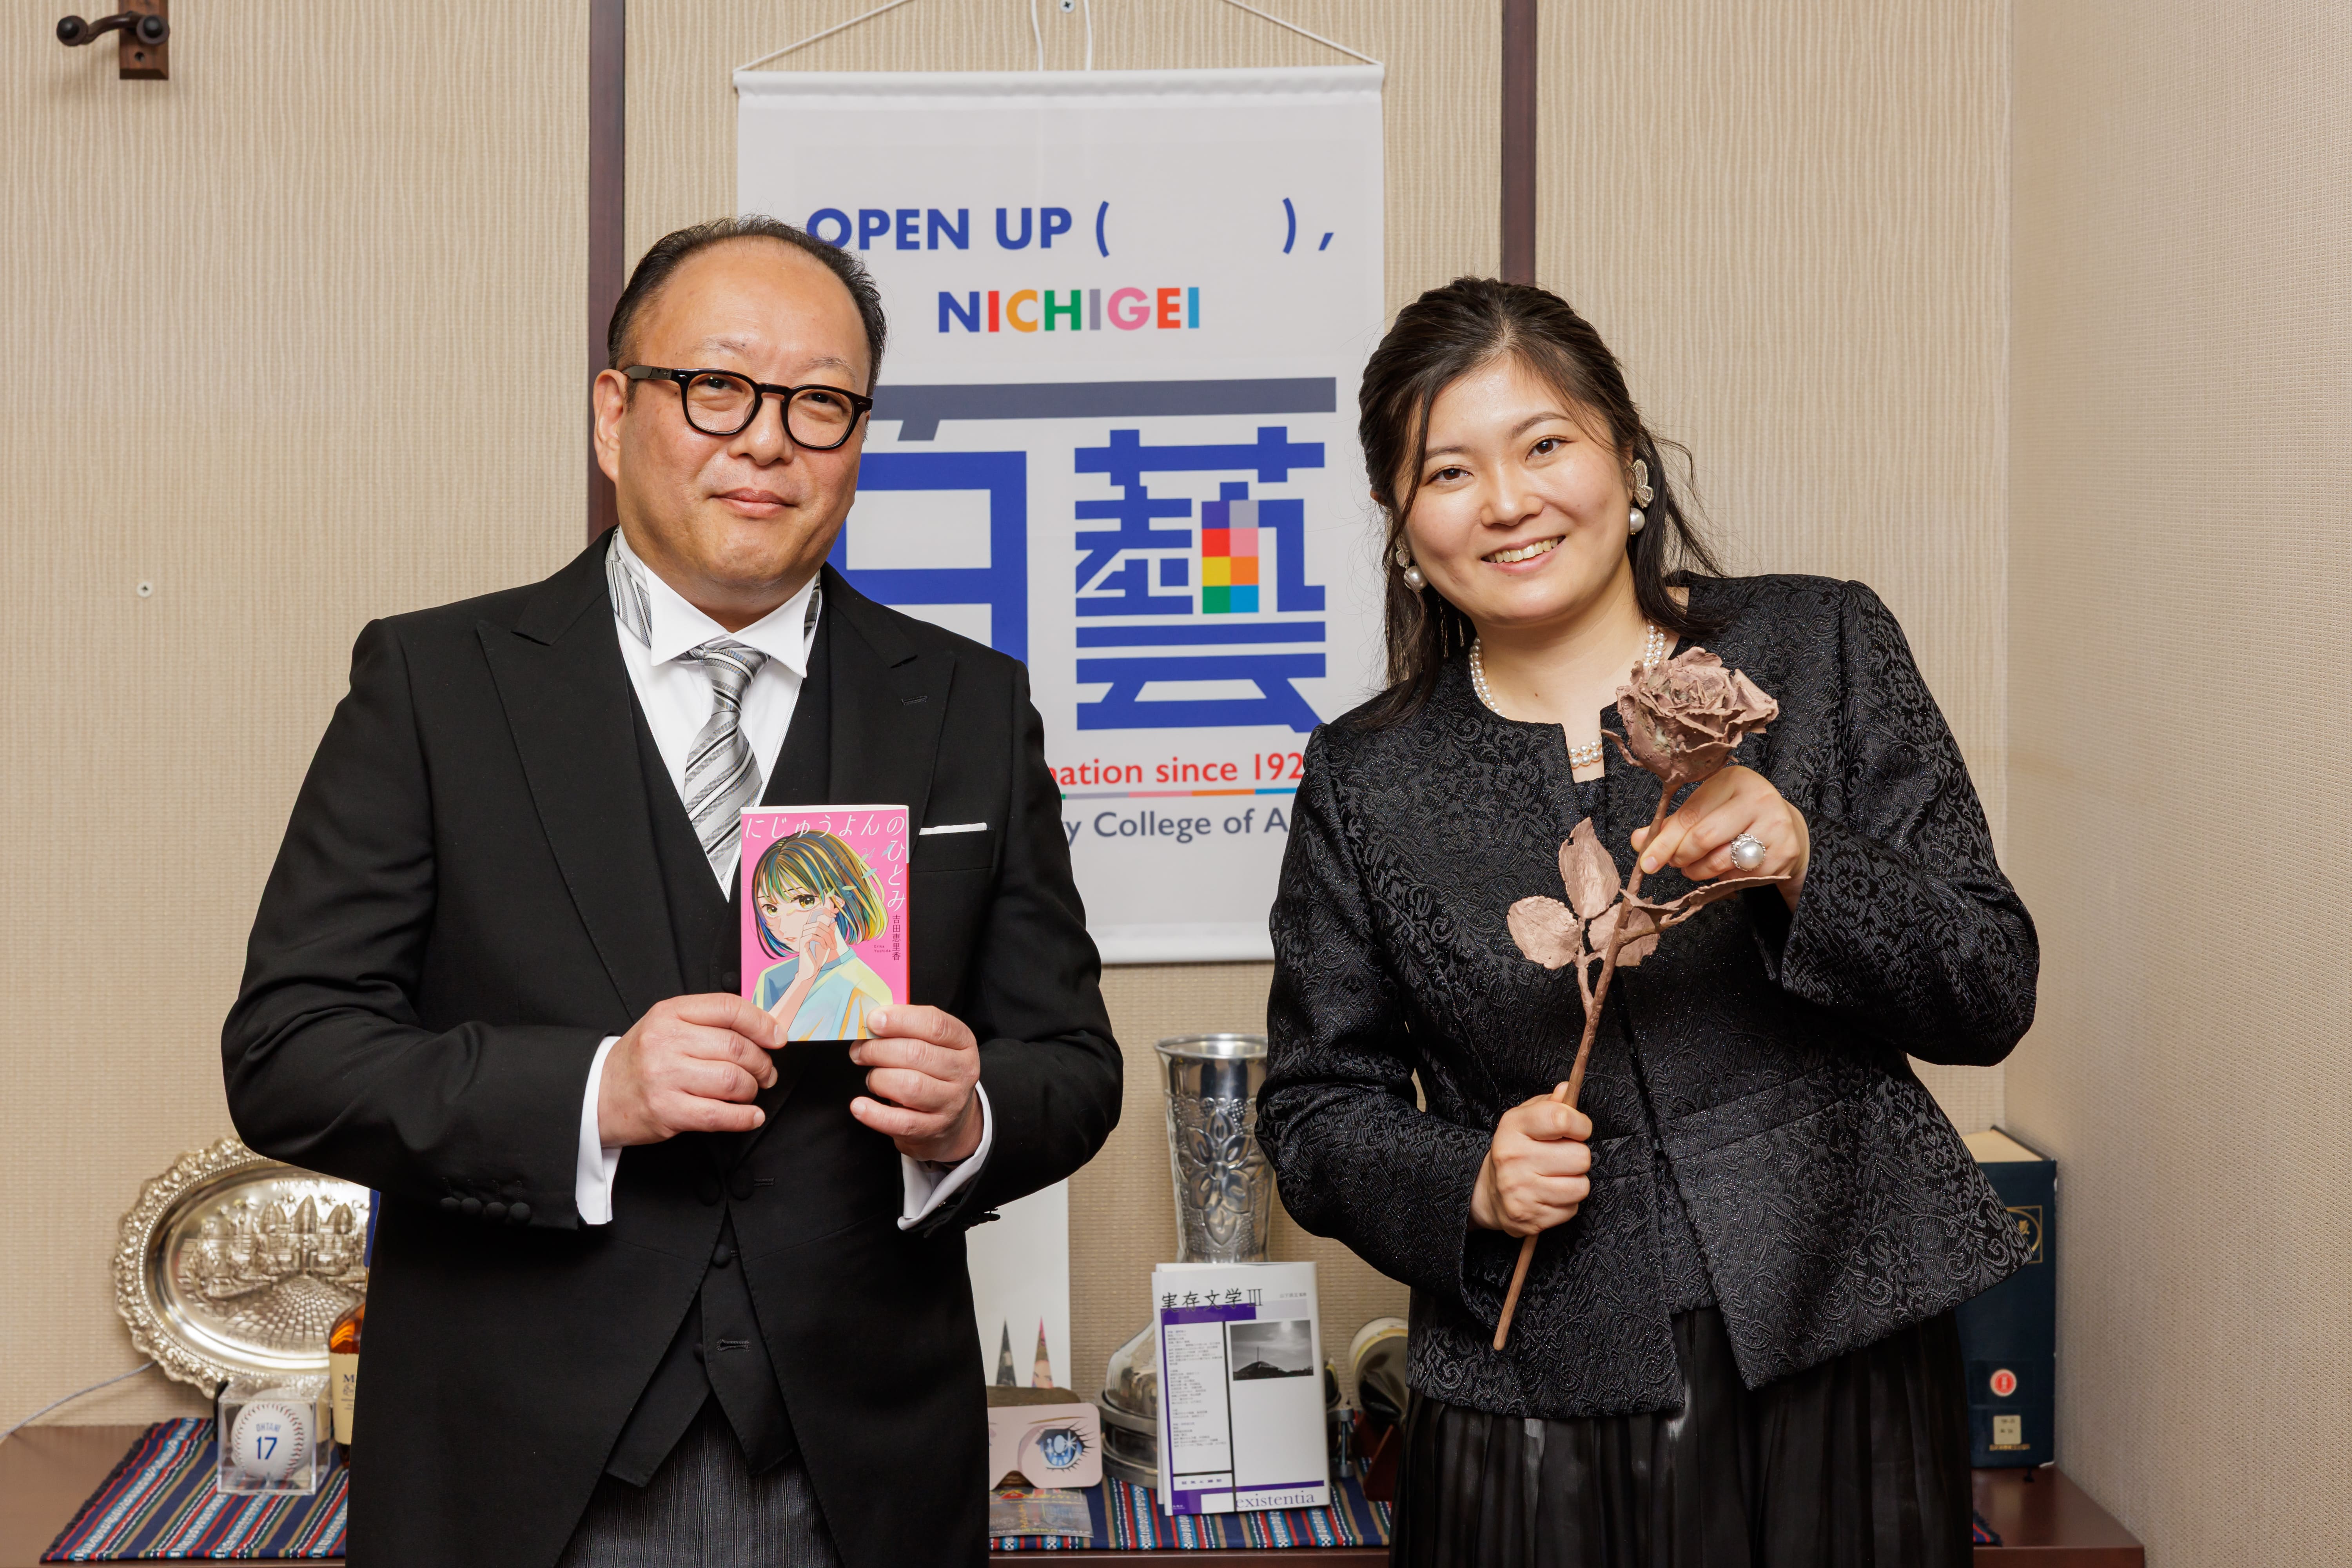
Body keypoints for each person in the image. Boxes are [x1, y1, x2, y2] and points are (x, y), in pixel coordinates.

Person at [222, 216, 1122, 1568]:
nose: (767, 441)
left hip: (860, 1472)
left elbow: (1073, 1062)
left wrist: (970, 1110)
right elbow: (291, 1052)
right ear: (613, 412)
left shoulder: (966, 706)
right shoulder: (436, 687)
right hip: (517, 1470)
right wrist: (594, 1092)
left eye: (819, 403)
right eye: (716, 388)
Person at [1256, 277, 2037, 1567]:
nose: (1506, 501)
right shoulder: (1367, 776)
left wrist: (1804, 856)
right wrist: (1471, 1181)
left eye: (1543, 445)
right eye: (1448, 471)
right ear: (1403, 523)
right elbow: (1313, 1109)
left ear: (1627, 459)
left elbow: (1990, 983)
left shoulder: (1819, 644)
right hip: (1530, 1393)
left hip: (1839, 1347)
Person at [749, 828, 895, 1040]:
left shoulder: (866, 990)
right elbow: (761, 1041)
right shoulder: (770, 979)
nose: (784, 925)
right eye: (771, 909)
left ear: (838, 900)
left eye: (805, 901)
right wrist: (803, 980)